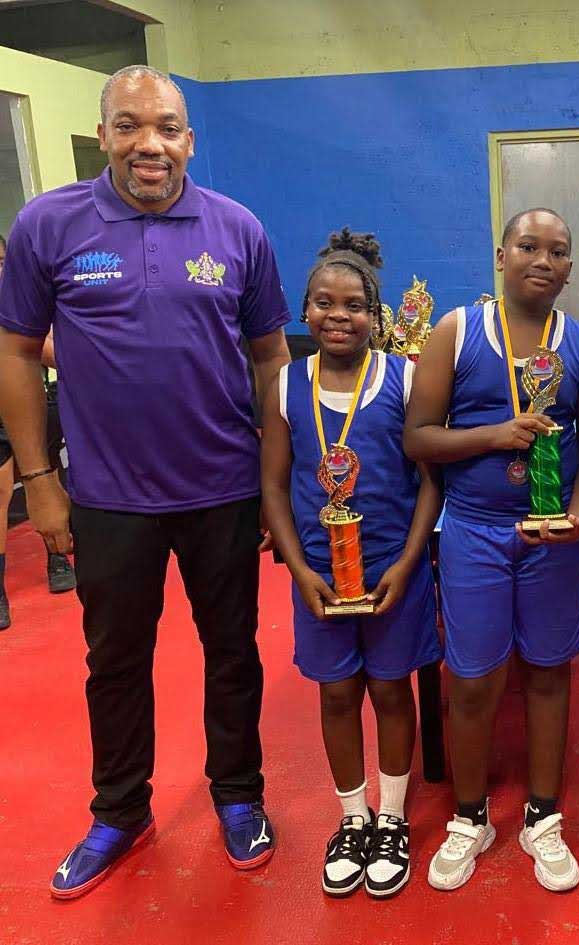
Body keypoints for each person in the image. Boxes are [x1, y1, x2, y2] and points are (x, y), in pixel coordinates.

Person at [0, 65, 291, 899]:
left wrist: (276, 481)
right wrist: (39, 481)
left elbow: (271, 357)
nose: (149, 144)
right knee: (114, 661)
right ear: (104, 136)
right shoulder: (47, 226)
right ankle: (120, 809)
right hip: (106, 497)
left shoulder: (238, 229)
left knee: (233, 652)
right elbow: (17, 353)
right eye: (129, 126)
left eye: (165, 126)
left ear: (189, 139)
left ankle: (240, 794)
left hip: (225, 490)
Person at [404, 208, 579, 893]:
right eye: (529, 245)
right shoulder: (455, 332)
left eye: (557, 250)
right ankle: (470, 817)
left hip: (551, 539)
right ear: (502, 253)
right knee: (472, 677)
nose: (542, 259)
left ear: (570, 268)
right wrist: (496, 435)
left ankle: (542, 816)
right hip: (474, 530)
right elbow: (421, 438)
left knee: (549, 672)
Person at [261, 229, 441, 898]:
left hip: (395, 571)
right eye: (323, 303)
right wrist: (295, 566)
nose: (338, 316)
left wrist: (411, 559)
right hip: (319, 577)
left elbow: (430, 481)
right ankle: (352, 816)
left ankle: (391, 817)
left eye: (354, 305)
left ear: (378, 314)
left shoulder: (406, 377)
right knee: (337, 694)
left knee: (393, 690)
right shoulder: (284, 385)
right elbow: (274, 484)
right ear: (303, 310)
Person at [0, 234, 75, 631]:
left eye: (1, 261)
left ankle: (57, 557)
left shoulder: (23, 301)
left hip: (33, 406)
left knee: (47, 478)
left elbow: (48, 349)